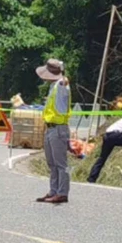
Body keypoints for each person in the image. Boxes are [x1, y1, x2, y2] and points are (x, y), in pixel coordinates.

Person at [35, 58, 72, 204]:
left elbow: (62, 106)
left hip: (59, 129)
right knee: (52, 163)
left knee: (61, 164)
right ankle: (53, 190)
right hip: (50, 128)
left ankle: (62, 193)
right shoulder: (54, 86)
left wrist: (63, 84)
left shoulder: (62, 85)